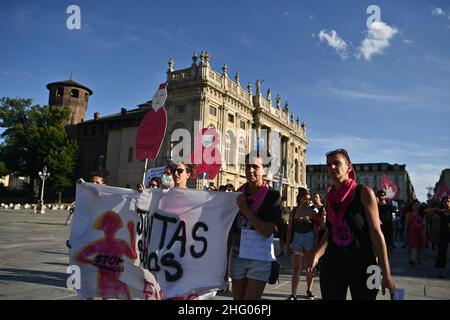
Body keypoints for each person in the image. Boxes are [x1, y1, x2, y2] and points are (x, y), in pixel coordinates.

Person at [307, 149, 395, 300]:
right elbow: (330, 232)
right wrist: (316, 255)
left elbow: (376, 233)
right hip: (333, 261)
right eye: (328, 165)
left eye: (336, 163)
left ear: (349, 167)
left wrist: (386, 273)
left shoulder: (364, 193)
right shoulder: (329, 197)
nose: (332, 167)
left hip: (363, 261)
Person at [230, 152, 281, 300]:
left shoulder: (273, 196)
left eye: (255, 166)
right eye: (247, 166)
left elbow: (266, 231)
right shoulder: (238, 194)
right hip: (237, 254)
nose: (250, 170)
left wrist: (245, 209)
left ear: (264, 170)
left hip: (259, 257)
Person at [286, 188, 316, 300]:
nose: (307, 201)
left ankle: (309, 290)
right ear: (300, 199)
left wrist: (316, 243)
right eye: (305, 199)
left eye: (309, 199)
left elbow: (316, 229)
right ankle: (293, 294)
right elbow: (289, 229)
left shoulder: (312, 211)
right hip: (297, 238)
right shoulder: (294, 211)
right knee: (296, 267)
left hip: (309, 238)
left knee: (309, 267)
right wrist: (288, 244)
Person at [404, 200, 426, 265]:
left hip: (420, 232)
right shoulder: (409, 214)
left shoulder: (422, 214)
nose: (416, 206)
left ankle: (419, 259)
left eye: (418, 205)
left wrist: (424, 232)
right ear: (412, 206)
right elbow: (406, 224)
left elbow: (425, 223)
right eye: (415, 205)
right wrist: (405, 232)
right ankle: (413, 259)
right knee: (413, 246)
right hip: (412, 232)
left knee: (419, 247)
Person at [376, 190, 395, 255]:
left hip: (388, 227)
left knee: (387, 245)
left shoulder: (389, 207)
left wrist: (394, 230)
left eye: (383, 195)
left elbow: (393, 218)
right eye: (379, 195)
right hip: (378, 227)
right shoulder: (375, 206)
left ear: (385, 196)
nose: (381, 197)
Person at [435, 196, 450, 278]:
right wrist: (441, 210)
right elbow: (428, 211)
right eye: (445, 202)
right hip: (443, 233)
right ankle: (441, 270)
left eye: (448, 201)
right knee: (442, 252)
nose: (447, 203)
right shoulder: (441, 212)